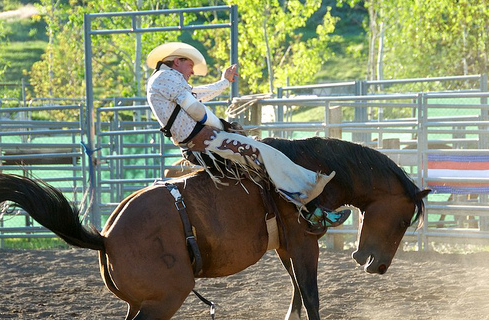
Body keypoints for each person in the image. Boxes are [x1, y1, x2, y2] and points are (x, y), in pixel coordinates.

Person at [146, 42, 350, 230]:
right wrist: (223, 126)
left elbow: (195, 95)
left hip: (198, 143)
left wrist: (224, 82)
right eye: (190, 65)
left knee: (261, 158)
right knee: (267, 154)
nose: (192, 71)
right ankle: (312, 210)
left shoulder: (163, 80)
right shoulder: (168, 78)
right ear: (177, 61)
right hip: (207, 142)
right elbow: (196, 109)